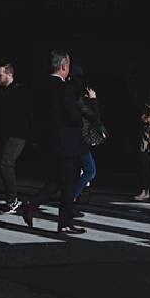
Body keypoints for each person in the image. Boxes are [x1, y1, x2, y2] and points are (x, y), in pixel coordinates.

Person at [21, 49, 87, 234]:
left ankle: (32, 204)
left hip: (47, 139)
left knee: (58, 179)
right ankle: (65, 222)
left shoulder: (41, 86)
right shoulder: (63, 88)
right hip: (66, 140)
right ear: (64, 66)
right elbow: (72, 116)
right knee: (69, 182)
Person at [0, 60, 33, 214]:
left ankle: (12, 200)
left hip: (18, 135)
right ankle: (11, 198)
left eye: (0, 75)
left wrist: (32, 134)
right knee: (4, 165)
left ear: (9, 75)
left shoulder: (21, 91)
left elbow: (30, 114)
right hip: (3, 134)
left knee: (6, 163)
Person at [69, 65, 100, 207]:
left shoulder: (71, 92)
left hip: (76, 137)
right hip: (80, 138)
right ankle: (72, 198)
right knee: (89, 170)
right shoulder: (78, 96)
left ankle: (74, 199)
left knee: (78, 170)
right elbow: (93, 116)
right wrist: (93, 100)